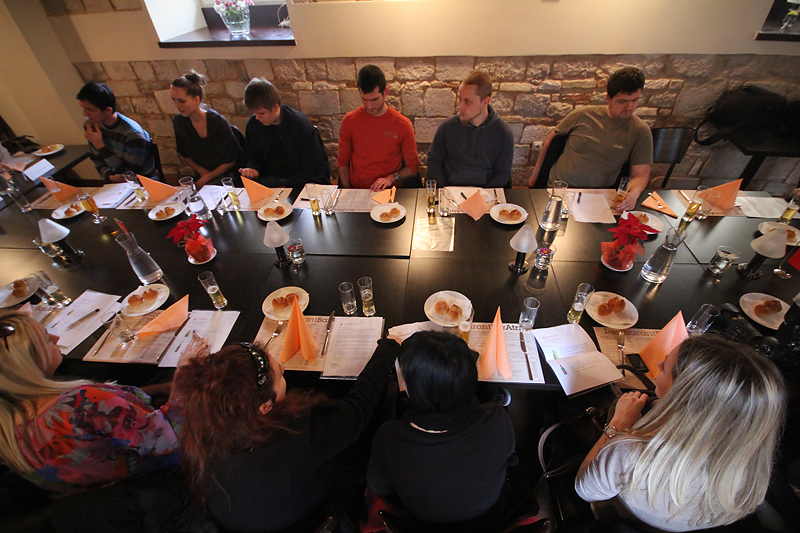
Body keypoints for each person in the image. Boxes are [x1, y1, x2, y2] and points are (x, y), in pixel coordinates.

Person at [173, 339, 399, 532]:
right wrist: (388, 348)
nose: (283, 369)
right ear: (264, 406)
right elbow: (357, 411)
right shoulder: (298, 434)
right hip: (315, 514)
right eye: (280, 375)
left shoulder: (199, 429)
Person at [575, 335, 786, 532]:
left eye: (665, 366)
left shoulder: (630, 451)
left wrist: (619, 423)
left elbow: (584, 490)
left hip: (622, 518)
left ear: (682, 393)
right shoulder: (753, 473)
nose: (658, 366)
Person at [0, 311, 196, 494]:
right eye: (46, 339)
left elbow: (113, 410)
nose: (56, 338)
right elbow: (169, 438)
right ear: (27, 364)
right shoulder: (84, 402)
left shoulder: (7, 428)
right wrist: (183, 375)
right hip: (162, 472)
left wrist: (160, 388)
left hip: (111, 495)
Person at [367, 331, 516, 525]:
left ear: (412, 391)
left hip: (420, 518)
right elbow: (509, 457)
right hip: (487, 514)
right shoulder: (497, 418)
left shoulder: (390, 437)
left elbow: (379, 487)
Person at [527, 67, 653, 211]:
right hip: (561, 189)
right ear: (608, 98)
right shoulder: (582, 115)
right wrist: (535, 177)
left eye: (635, 100)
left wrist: (634, 193)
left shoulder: (640, 131)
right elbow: (551, 141)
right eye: (622, 101)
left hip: (600, 196)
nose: (629, 107)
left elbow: (640, 174)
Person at [337, 65, 419, 191]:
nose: (369, 106)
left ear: (385, 92)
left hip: (388, 191)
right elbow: (342, 163)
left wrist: (391, 178)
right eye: (364, 99)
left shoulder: (402, 124)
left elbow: (413, 167)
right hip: (358, 189)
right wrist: (347, 191)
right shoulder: (349, 121)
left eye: (375, 99)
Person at [426, 71, 514, 189]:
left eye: (468, 101)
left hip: (485, 193)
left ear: (485, 101)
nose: (460, 107)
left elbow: (502, 173)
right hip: (450, 190)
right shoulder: (447, 127)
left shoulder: (503, 133)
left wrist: (483, 197)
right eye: (460, 99)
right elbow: (434, 161)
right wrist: (444, 189)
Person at [239, 78, 330, 188]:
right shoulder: (254, 124)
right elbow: (252, 155)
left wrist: (285, 184)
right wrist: (254, 169)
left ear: (276, 107)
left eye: (261, 113)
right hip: (269, 182)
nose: (257, 118)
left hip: (299, 183)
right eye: (254, 113)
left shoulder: (300, 125)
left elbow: (313, 167)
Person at [170, 70, 242, 188]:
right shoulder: (179, 122)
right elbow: (185, 155)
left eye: (182, 101)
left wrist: (206, 178)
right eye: (174, 100)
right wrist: (202, 171)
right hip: (204, 174)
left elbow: (231, 161)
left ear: (196, 100)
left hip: (227, 175)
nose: (177, 105)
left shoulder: (216, 121)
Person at [76, 82, 156, 183]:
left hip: (141, 184)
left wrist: (100, 146)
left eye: (90, 110)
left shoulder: (133, 134)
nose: (84, 114)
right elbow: (96, 160)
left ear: (108, 110)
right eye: (83, 108)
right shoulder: (92, 126)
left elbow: (128, 174)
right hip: (113, 183)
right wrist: (109, 177)